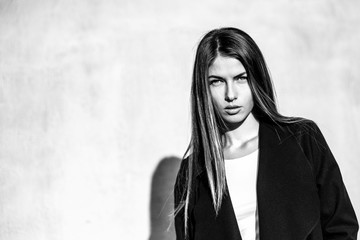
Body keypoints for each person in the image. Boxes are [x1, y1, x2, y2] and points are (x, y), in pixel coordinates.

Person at [173, 27, 358, 240]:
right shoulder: (192, 173)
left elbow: (341, 226)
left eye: (240, 78)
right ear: (203, 89)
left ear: (256, 79)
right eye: (217, 81)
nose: (230, 94)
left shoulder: (302, 139)